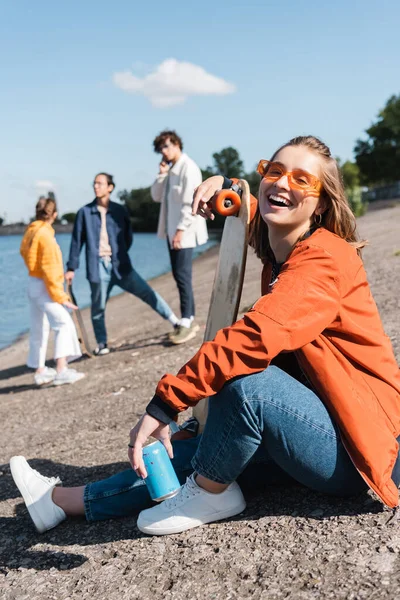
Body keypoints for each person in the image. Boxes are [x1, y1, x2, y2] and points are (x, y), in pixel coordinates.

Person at [11, 136, 400, 537]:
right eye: (275, 170)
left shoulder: (323, 258)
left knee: (249, 385)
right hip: (319, 420)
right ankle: (62, 502)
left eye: (302, 179)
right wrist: (225, 185)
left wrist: (166, 403)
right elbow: (252, 211)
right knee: (202, 447)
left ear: (320, 203)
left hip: (357, 449)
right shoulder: (283, 245)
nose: (282, 183)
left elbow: (256, 335)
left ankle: (211, 493)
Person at [65, 173, 179, 355]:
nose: (96, 186)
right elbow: (76, 242)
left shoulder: (119, 210)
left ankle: (175, 321)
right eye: (94, 183)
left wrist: (120, 253)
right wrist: (71, 268)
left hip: (121, 265)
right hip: (97, 266)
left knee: (147, 292)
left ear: (110, 187)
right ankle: (102, 344)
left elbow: (128, 236)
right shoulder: (84, 213)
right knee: (97, 308)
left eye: (100, 183)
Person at [20, 197, 85, 386]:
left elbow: (27, 255)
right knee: (63, 323)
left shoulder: (30, 231)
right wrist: (61, 296)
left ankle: (40, 370)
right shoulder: (45, 235)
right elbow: (50, 268)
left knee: (39, 327)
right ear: (54, 214)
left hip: (33, 282)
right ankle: (61, 369)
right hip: (44, 285)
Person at [151, 131, 208, 345]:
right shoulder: (171, 170)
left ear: (176, 144)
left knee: (183, 275)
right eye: (161, 149)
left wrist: (181, 231)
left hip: (183, 232)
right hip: (172, 232)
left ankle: (188, 320)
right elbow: (156, 196)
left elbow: (189, 204)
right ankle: (188, 318)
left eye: (167, 146)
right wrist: (161, 174)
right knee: (178, 275)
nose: (164, 152)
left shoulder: (188, 167)